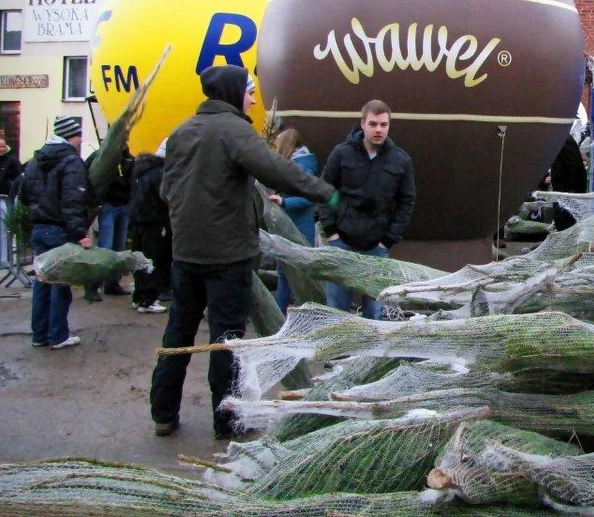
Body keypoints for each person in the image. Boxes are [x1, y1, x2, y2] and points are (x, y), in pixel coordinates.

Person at [149, 66, 337, 440]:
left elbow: (164, 192)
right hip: (226, 258)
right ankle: (228, 421)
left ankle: (163, 415)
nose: (253, 98)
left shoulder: (181, 132)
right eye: (249, 91)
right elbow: (278, 170)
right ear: (233, 91)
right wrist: (327, 193)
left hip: (185, 255)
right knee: (228, 342)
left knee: (176, 337)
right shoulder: (235, 131)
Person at [318, 99, 416, 320]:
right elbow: (324, 191)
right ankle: (338, 355)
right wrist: (331, 231)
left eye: (383, 124)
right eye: (373, 124)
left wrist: (388, 240)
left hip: (377, 248)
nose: (378, 129)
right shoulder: (342, 154)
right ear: (362, 124)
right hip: (341, 244)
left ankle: (371, 354)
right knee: (337, 312)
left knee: (374, 313)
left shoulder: (400, 160)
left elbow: (407, 201)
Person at [21, 116, 91, 349]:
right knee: (61, 282)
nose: (81, 139)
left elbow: (24, 195)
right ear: (71, 136)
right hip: (60, 230)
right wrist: (80, 233)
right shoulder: (71, 161)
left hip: (39, 227)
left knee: (42, 280)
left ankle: (39, 334)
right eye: (79, 135)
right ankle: (58, 335)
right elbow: (73, 200)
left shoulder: (35, 161)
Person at [267, 128, 318, 313]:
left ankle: (290, 314)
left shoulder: (300, 167)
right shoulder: (297, 164)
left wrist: (284, 201)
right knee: (284, 272)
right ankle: (284, 315)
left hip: (299, 228)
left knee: (296, 273)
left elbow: (309, 196)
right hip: (290, 226)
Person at [83, 143, 135, 300]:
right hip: (109, 205)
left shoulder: (129, 160)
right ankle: (93, 285)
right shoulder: (102, 157)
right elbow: (90, 176)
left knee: (118, 248)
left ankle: (112, 283)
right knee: (106, 247)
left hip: (123, 205)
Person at [127, 141, 171, 314]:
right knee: (154, 261)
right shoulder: (161, 173)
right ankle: (148, 299)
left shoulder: (140, 170)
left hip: (138, 221)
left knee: (140, 260)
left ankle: (139, 297)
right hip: (154, 221)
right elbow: (166, 197)